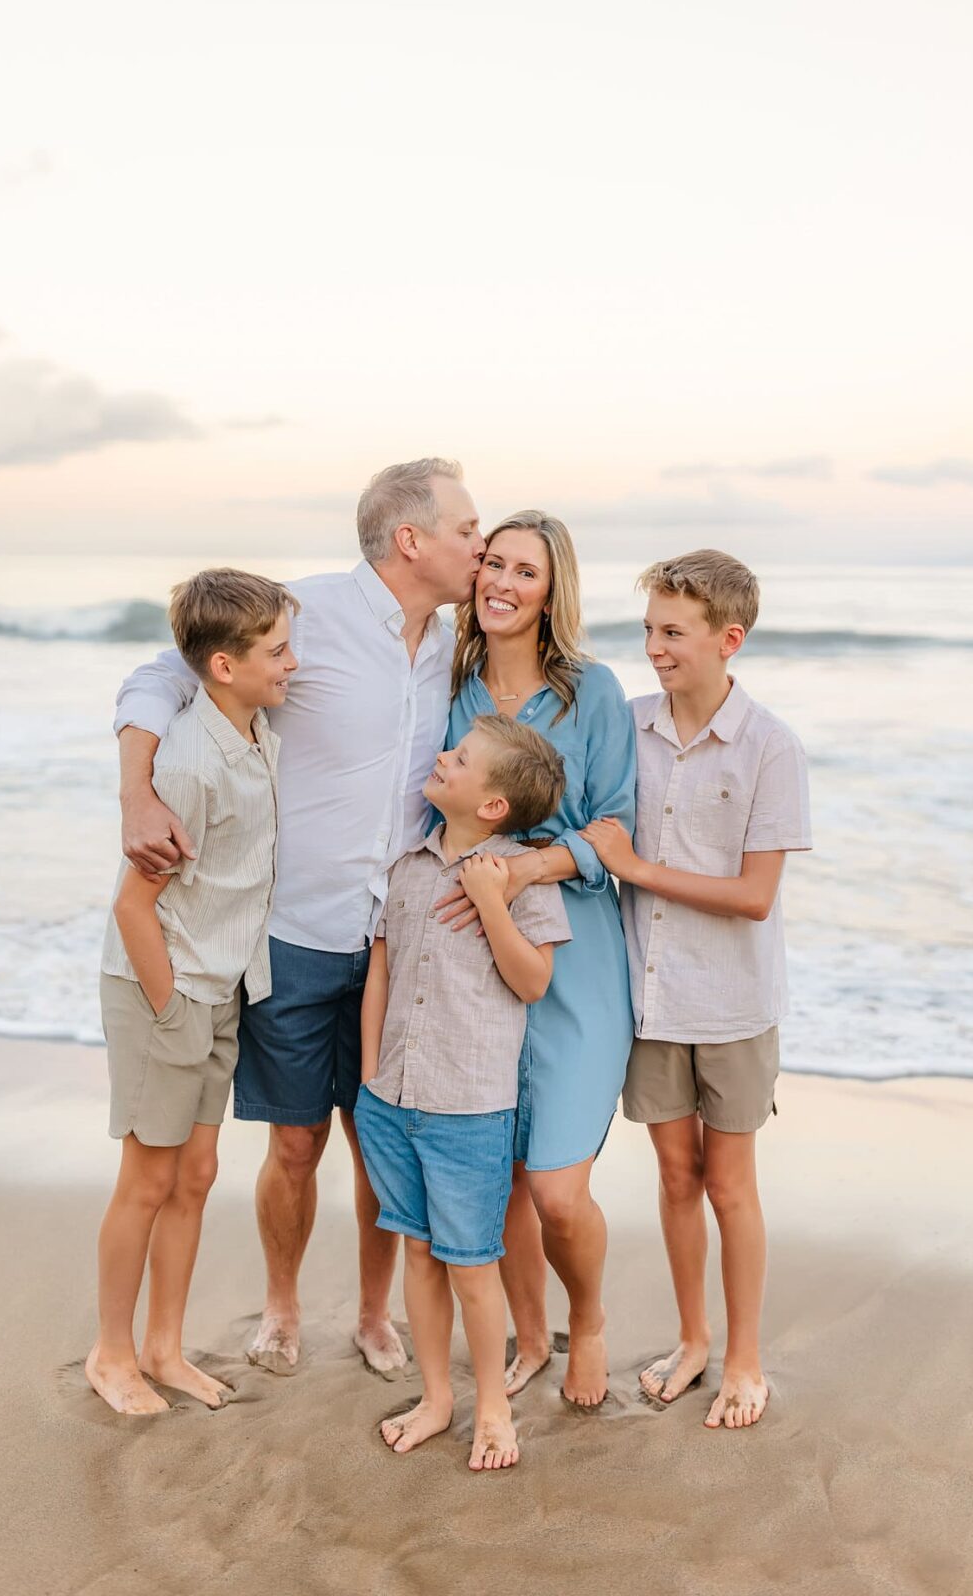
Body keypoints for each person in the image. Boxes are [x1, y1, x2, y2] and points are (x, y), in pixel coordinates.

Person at [114, 460, 485, 1374]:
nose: (481, 548)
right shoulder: (305, 614)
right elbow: (162, 673)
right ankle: (281, 1309)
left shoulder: (449, 644)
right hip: (293, 929)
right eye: (469, 531)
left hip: (400, 935)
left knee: (381, 1141)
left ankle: (372, 1313)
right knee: (295, 1140)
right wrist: (137, 796)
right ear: (413, 540)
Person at [582, 548, 811, 1429]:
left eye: (672, 633)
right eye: (648, 630)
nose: (654, 648)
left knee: (728, 1186)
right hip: (650, 1004)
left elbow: (755, 897)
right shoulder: (627, 727)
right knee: (675, 1180)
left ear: (729, 639)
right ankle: (693, 1340)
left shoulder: (770, 746)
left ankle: (745, 1357)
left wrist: (639, 868)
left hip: (733, 1006)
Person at [88, 568, 299, 1415]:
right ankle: (112, 1354)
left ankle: (165, 1349)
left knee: (198, 1171)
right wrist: (171, 1008)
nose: (293, 664)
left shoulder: (259, 732)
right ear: (223, 666)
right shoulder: (186, 764)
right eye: (277, 651)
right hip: (160, 986)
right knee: (147, 1179)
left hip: (223, 985)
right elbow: (132, 906)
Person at [439, 511, 636, 1406]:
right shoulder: (453, 686)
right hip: (474, 951)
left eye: (525, 571)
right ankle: (527, 1337)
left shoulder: (593, 692)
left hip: (579, 956)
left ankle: (585, 1319)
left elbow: (614, 831)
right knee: (501, 1169)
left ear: (553, 592)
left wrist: (526, 867)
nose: (502, 583)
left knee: (557, 1189)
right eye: (492, 564)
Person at [356, 715, 572, 1470]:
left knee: (471, 1264)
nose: (443, 757)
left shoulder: (518, 872)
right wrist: (367, 1078)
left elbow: (534, 981)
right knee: (419, 1253)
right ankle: (436, 1396)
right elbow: (381, 966)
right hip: (393, 1097)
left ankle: (490, 1406)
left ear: (493, 808)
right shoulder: (408, 864)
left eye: (462, 757)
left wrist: (488, 901)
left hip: (469, 1105)